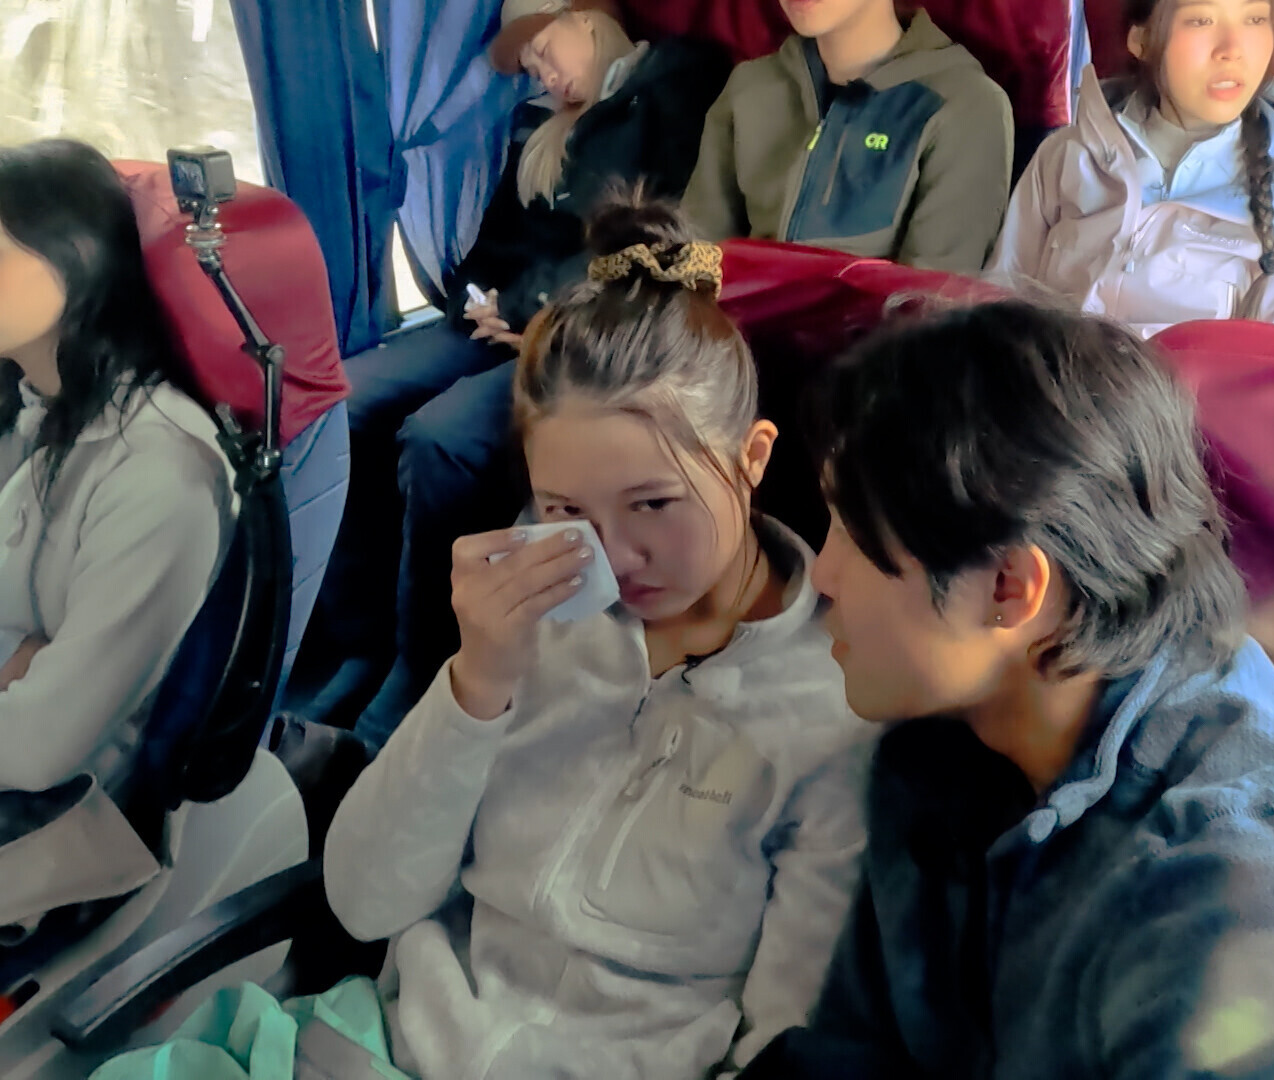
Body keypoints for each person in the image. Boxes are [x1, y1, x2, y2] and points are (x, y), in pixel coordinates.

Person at [741, 300, 1274, 1078]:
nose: (823, 574)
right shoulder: (943, 758)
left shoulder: (1266, 901)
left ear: (1011, 589)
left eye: (851, 534)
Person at [320, 195, 874, 1079]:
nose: (612, 556)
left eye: (653, 504)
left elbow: (782, 1035)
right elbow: (363, 903)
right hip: (389, 1044)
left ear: (752, 460)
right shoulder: (539, 608)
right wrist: (475, 685)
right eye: (565, 508)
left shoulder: (836, 703)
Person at [327, 0, 731, 743]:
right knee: (342, 400)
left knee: (439, 437)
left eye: (544, 49)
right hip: (502, 321)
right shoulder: (538, 129)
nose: (540, 73)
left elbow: (648, 234)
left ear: (586, 18)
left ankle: (424, 661)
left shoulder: (673, 84)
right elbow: (496, 242)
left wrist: (528, 305)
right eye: (531, 67)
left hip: (585, 324)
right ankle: (354, 638)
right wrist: (478, 298)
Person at [0, 141, 235, 902]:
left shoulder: (160, 472)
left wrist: (27, 671)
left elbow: (38, 748)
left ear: (78, 260)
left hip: (64, 824)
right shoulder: (39, 406)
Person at [991, 0, 1274, 336]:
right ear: (1142, 40)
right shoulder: (1069, 153)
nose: (1232, 49)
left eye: (1255, 19)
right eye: (1201, 21)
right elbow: (999, 305)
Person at [682, 0, 1015, 273]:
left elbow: (936, 308)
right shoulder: (750, 87)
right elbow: (693, 264)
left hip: (878, 335)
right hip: (731, 331)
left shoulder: (964, 106)